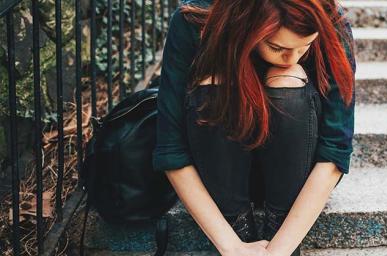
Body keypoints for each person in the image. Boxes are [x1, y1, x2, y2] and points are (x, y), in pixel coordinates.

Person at [151, 0, 356, 255]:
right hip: (219, 169)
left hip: (296, 172)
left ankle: (278, 222)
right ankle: (238, 227)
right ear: (248, 25)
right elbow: (171, 148)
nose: (291, 57)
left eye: (305, 46)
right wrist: (231, 245)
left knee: (286, 78)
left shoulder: (329, 21)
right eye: (277, 47)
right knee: (216, 83)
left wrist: (279, 250)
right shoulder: (196, 21)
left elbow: (335, 149)